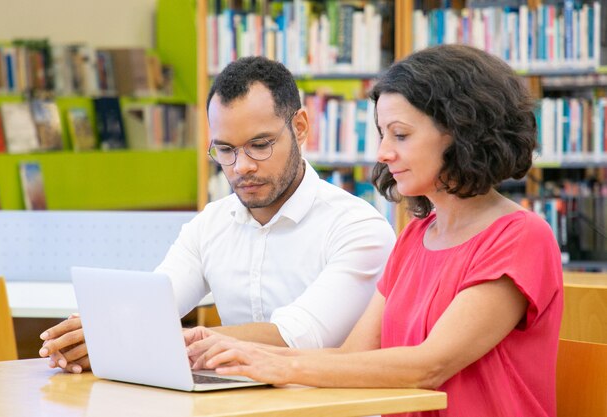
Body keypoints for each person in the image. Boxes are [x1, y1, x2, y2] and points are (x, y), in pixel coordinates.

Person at [194, 45, 564, 417]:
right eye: (382, 134)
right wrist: (227, 352)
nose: (383, 152)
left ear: (461, 133)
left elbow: (428, 366)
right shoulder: (416, 237)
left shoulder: (520, 237)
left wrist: (275, 364)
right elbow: (352, 357)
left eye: (400, 135)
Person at [38, 56, 396, 374]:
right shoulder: (210, 224)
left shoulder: (358, 229)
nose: (241, 167)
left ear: (300, 127)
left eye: (260, 145)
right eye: (225, 149)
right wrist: (98, 334)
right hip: (233, 405)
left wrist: (144, 335)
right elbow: (156, 302)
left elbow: (296, 336)